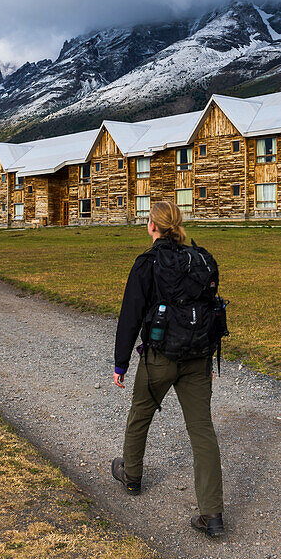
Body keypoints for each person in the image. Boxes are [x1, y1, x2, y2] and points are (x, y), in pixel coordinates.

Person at [110, 199, 225, 539]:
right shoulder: (201, 260)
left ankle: (132, 477)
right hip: (197, 358)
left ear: (152, 227)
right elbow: (212, 311)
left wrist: (121, 362)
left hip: (160, 357)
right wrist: (207, 358)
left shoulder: (147, 263)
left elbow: (130, 314)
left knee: (141, 413)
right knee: (202, 429)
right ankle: (212, 513)